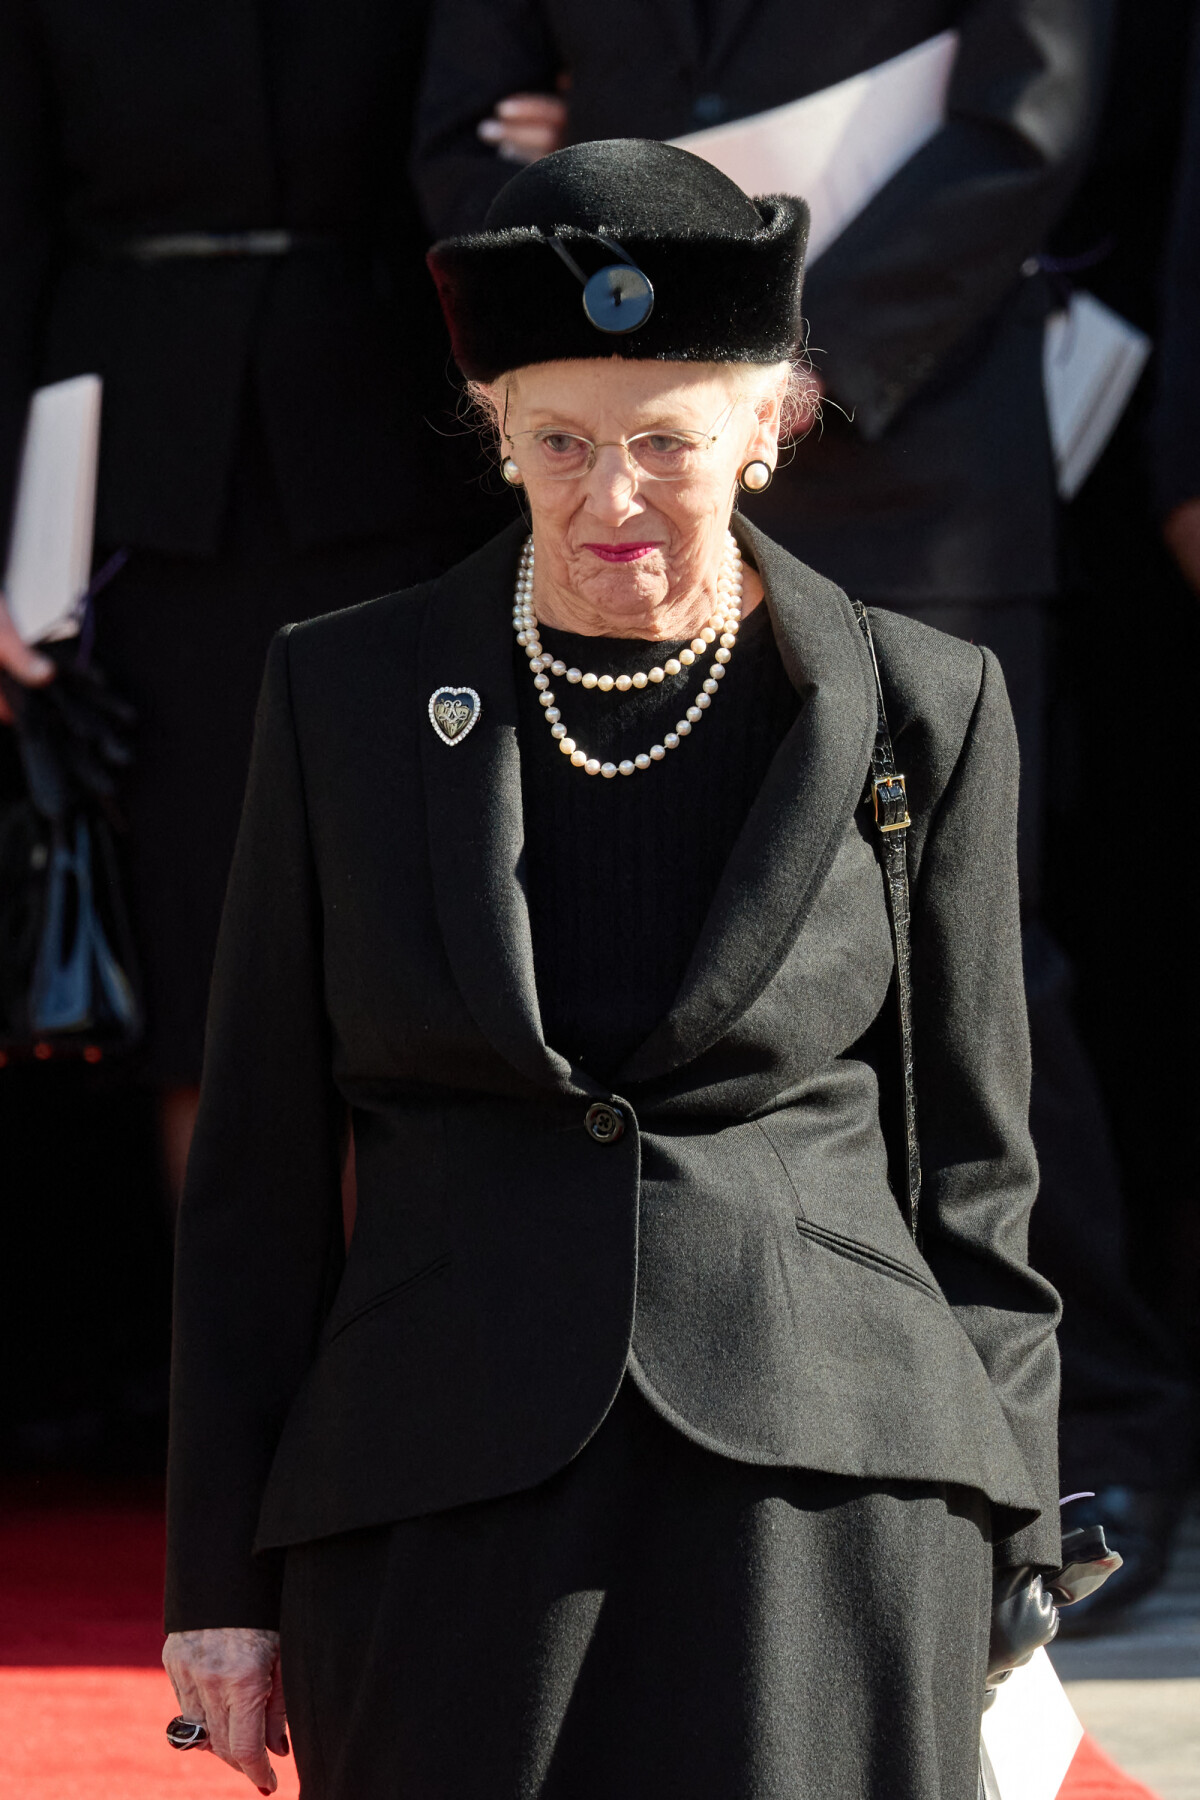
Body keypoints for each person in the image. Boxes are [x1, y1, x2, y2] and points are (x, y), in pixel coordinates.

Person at [162, 141, 1063, 1799]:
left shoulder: (922, 706)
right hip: (438, 1490)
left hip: (832, 1494)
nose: (612, 500)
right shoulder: (341, 699)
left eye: (668, 443)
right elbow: (261, 1181)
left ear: (766, 433)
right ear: (493, 427)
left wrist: (1015, 1534)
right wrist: (218, 1586)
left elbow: (975, 1176)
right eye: (559, 441)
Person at [0, 0, 504, 1199]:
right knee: (211, 976)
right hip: (146, 513)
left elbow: (484, 118)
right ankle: (239, 1378)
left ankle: (399, 1370)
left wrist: (560, 127)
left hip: (404, 465)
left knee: (401, 957)